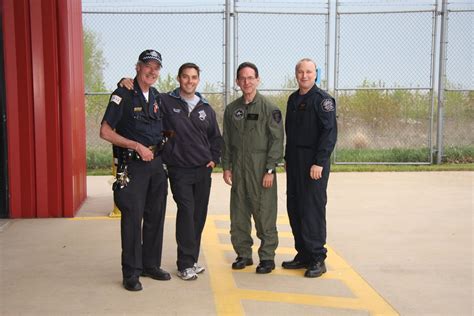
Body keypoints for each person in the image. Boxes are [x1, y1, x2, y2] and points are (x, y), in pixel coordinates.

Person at [119, 63, 222, 281]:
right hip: (179, 170)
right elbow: (142, 90)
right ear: (178, 78)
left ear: (198, 80)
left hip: (202, 170)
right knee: (186, 212)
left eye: (194, 77)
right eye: (185, 77)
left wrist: (213, 159)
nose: (189, 81)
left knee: (198, 215)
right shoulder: (165, 101)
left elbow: (215, 138)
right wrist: (123, 82)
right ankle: (184, 264)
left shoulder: (206, 108)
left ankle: (192, 260)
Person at [100, 49, 171, 291]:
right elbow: (105, 131)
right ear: (138, 66)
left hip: (155, 165)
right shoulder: (122, 94)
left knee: (155, 216)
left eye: (156, 67)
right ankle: (131, 272)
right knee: (132, 219)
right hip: (133, 165)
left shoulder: (157, 97)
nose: (152, 71)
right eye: (148, 66)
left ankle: (151, 265)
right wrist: (136, 146)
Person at [221, 62, 284, 274]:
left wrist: (270, 169)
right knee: (238, 213)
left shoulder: (269, 108)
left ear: (258, 80)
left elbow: (277, 141)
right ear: (237, 82)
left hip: (260, 168)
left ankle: (267, 257)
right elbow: (227, 141)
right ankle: (243, 254)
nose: (247, 82)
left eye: (250, 78)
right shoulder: (232, 109)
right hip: (239, 167)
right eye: (242, 78)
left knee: (264, 212)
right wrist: (227, 167)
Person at [283, 58, 337, 278]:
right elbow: (290, 132)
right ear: (296, 74)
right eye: (300, 72)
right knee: (295, 207)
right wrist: (287, 158)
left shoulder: (322, 100)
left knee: (312, 209)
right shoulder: (293, 99)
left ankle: (317, 258)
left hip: (313, 162)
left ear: (315, 74)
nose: (304, 76)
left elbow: (329, 133)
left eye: (309, 72)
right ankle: (303, 254)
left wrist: (319, 162)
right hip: (295, 161)